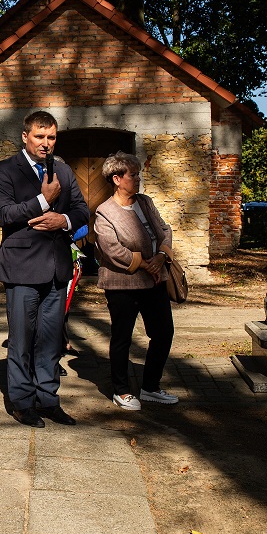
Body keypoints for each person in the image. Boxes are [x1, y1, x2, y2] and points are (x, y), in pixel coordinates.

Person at [0, 111, 89, 428]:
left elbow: (82, 210)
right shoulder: (5, 169)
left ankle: (48, 399)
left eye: (52, 137)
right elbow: (4, 215)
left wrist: (64, 220)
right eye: (40, 136)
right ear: (25, 136)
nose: (46, 143)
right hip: (22, 269)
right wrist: (43, 201)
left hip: (57, 268)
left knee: (50, 342)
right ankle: (21, 402)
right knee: (21, 341)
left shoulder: (63, 169)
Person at [94, 151, 179, 411]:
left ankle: (150, 387)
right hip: (122, 284)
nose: (138, 179)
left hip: (154, 279)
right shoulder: (104, 212)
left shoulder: (145, 202)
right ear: (117, 178)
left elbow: (165, 229)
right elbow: (112, 249)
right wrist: (145, 263)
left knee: (163, 333)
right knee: (122, 338)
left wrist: (162, 255)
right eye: (133, 175)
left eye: (138, 173)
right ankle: (121, 390)